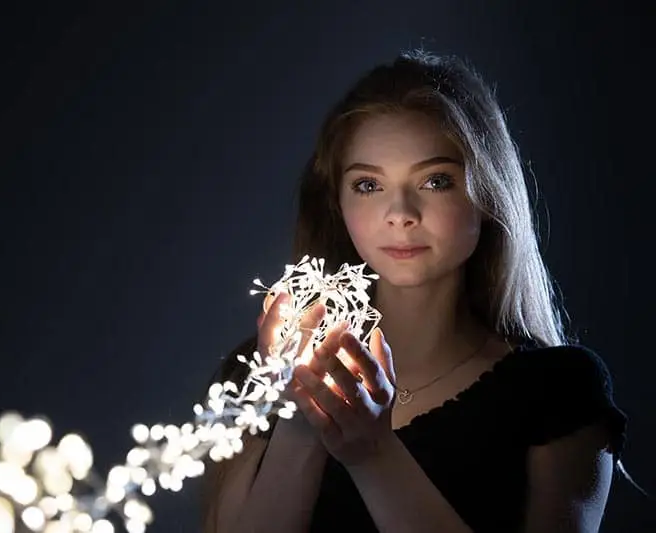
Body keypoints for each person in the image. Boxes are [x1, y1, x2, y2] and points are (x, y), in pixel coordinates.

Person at [199, 49, 628, 533]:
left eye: (435, 180)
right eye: (368, 185)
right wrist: (302, 421)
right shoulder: (257, 377)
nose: (400, 212)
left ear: (487, 195)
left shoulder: (559, 392)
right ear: (336, 203)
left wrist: (374, 455)